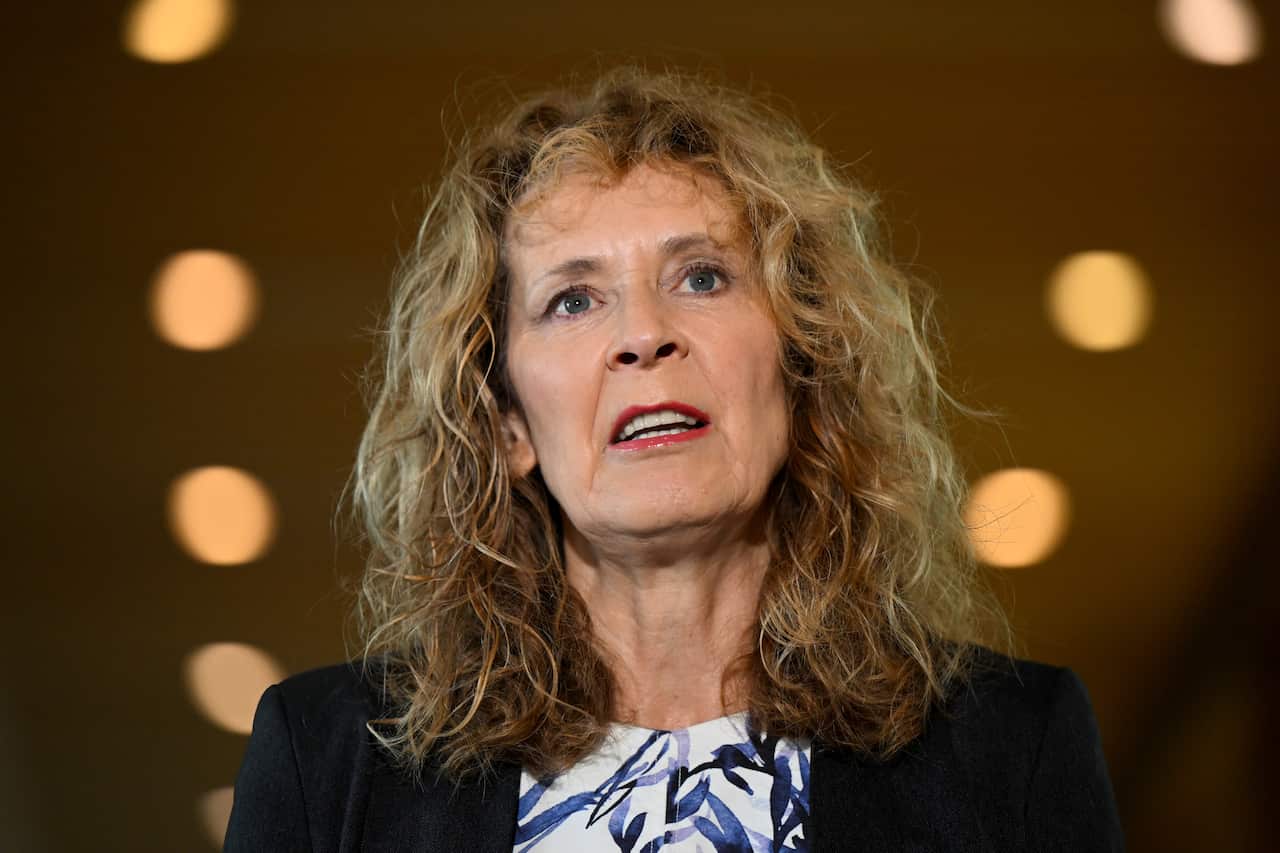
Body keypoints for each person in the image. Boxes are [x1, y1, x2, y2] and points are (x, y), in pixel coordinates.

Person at [225, 67, 1124, 852]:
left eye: (701, 276)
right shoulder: (327, 757)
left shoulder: (1014, 745)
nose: (644, 335)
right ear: (507, 426)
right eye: (573, 299)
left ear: (802, 369)